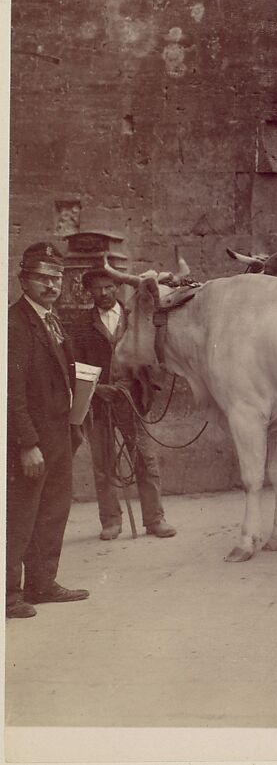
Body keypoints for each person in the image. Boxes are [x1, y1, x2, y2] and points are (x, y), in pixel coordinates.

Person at [7, 242, 90, 618]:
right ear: (23, 279)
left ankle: (42, 584)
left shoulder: (53, 320)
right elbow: (11, 391)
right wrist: (27, 444)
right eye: (42, 277)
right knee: (20, 515)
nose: (51, 285)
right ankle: (8, 595)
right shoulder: (14, 324)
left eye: (56, 278)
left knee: (53, 511)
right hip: (31, 440)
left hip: (59, 434)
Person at [69, 268, 175, 541]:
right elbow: (75, 366)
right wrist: (95, 390)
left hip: (132, 399)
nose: (103, 294)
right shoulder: (81, 324)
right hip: (99, 402)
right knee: (103, 463)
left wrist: (145, 385)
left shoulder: (134, 318)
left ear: (117, 288)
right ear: (88, 291)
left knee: (145, 459)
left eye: (108, 287)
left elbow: (153, 353)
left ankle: (154, 519)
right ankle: (111, 521)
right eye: (97, 289)